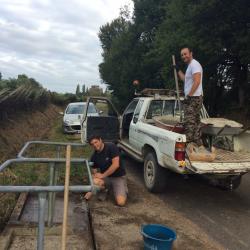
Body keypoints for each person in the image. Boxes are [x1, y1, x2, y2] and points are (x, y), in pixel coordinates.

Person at [84, 135, 128, 206]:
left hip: (118, 177)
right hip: (106, 178)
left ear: (100, 140)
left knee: (121, 203)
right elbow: (94, 172)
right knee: (94, 179)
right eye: (92, 144)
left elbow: (116, 165)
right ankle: (105, 189)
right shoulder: (94, 156)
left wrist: (103, 175)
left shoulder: (111, 147)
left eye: (96, 142)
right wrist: (91, 190)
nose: (95, 145)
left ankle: (121, 189)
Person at [175, 47, 203, 146]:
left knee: (190, 121)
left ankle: (189, 143)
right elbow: (185, 80)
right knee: (195, 120)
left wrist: (189, 96)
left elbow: (197, 81)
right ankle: (197, 143)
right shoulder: (190, 66)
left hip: (194, 97)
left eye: (185, 54)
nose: (183, 56)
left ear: (191, 53)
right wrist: (178, 70)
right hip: (193, 97)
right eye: (182, 55)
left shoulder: (194, 64)